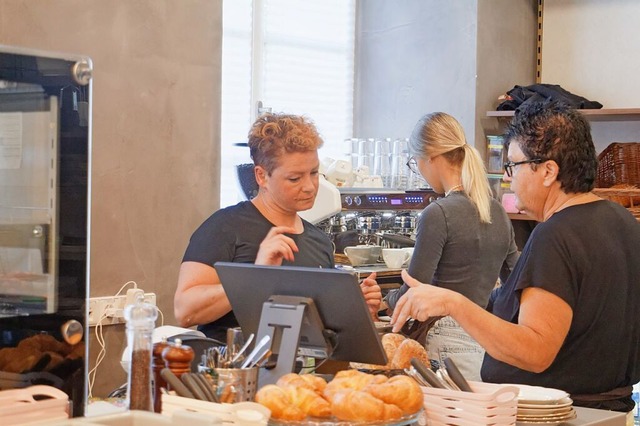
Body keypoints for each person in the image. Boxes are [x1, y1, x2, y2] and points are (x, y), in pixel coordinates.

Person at [390, 101, 640, 414]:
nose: (509, 179)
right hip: (612, 411)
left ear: (548, 171)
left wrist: (454, 303)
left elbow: (536, 351)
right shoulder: (623, 221)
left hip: (557, 415)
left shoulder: (555, 235)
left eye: (513, 166)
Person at [174, 113, 381, 343]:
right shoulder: (224, 228)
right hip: (237, 373)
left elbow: (319, 333)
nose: (310, 187)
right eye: (294, 178)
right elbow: (185, 311)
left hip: (301, 376)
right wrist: (257, 275)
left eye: (314, 173)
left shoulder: (318, 241)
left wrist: (356, 311)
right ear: (261, 176)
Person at [384, 112, 519, 380]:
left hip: (443, 338)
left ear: (431, 157)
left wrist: (383, 301)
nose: (420, 171)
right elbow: (516, 281)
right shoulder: (497, 210)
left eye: (416, 162)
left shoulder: (438, 213)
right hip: (483, 337)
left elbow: (414, 293)